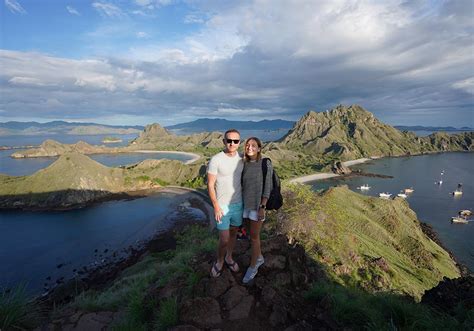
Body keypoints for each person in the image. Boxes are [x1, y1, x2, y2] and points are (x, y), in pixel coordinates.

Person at [207, 129, 244, 277]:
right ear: (224, 141)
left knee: (234, 234)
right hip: (222, 207)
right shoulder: (216, 159)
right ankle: (220, 261)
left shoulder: (242, 159)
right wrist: (216, 206)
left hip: (238, 205)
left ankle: (229, 257)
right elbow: (210, 185)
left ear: (239, 143)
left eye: (235, 141)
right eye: (229, 140)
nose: (232, 143)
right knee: (224, 239)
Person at [241, 137, 273, 284]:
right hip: (244, 206)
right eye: (248, 145)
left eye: (254, 145)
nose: (250, 148)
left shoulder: (265, 164)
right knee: (250, 235)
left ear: (259, 148)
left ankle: (253, 267)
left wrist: (262, 206)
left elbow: (268, 187)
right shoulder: (244, 164)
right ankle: (259, 257)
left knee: (254, 237)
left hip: (257, 206)